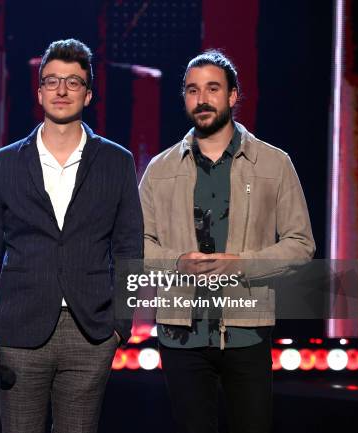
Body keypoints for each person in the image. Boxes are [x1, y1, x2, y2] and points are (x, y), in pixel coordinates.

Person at [0, 38, 143, 433]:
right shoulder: (3, 164)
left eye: (73, 82)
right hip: (19, 331)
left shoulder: (117, 162)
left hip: (91, 333)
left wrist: (121, 324)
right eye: (52, 81)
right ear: (40, 89)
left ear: (89, 93)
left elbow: (130, 248)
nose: (62, 90)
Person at [139, 50, 315, 433]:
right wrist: (175, 263)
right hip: (179, 335)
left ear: (233, 95)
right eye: (191, 90)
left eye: (212, 88)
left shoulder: (274, 163)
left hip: (246, 332)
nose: (201, 99)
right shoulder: (159, 169)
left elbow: (301, 244)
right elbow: (137, 245)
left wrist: (243, 264)